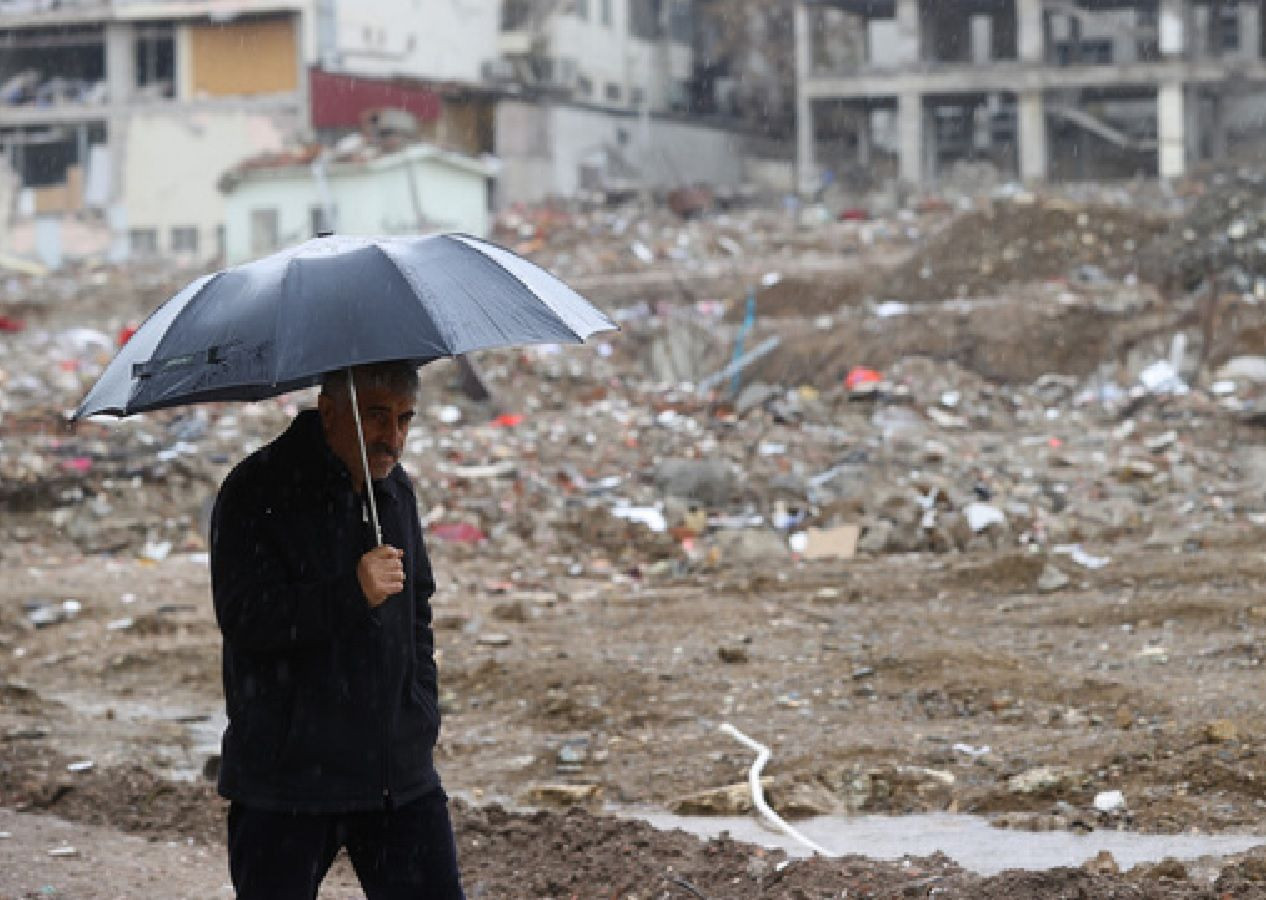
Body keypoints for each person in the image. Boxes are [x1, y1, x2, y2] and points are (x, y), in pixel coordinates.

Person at [210, 360, 464, 900]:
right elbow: (246, 618)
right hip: (288, 779)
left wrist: (419, 711)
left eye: (404, 420)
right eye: (375, 416)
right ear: (329, 411)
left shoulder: (395, 492)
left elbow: (417, 609)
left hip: (396, 773)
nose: (392, 438)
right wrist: (351, 593)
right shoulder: (257, 490)